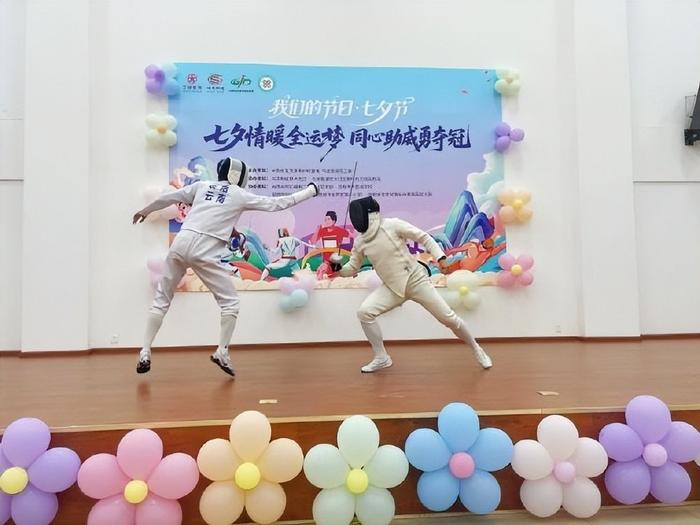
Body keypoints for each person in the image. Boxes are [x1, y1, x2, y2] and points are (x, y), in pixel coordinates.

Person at [133, 157, 319, 376]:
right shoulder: (238, 194)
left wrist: (145, 210)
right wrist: (310, 191)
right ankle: (222, 351)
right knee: (230, 303)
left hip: (180, 245)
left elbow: (169, 197)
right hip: (204, 252)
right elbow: (278, 204)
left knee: (162, 299)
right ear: (236, 175)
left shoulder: (202, 186)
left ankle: (145, 351)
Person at [331, 196, 492, 373]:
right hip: (392, 288)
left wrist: (440, 257)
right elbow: (352, 268)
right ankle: (382, 357)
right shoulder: (360, 242)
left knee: (449, 319)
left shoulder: (392, 225)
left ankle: (477, 349)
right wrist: (338, 268)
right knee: (364, 313)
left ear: (369, 214)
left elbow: (423, 237)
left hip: (416, 280)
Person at [312, 210, 352, 279]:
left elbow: (353, 236)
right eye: (325, 220)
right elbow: (313, 241)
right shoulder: (322, 231)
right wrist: (317, 230)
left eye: (328, 219)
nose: (326, 221)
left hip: (336, 260)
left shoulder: (339, 230)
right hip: (326, 261)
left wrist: (349, 231)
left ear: (333, 221)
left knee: (335, 278)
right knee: (320, 270)